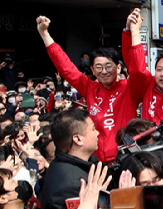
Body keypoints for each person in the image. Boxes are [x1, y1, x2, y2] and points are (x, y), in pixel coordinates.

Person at [36, 14, 149, 162]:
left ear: (119, 67)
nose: (104, 71)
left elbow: (138, 70)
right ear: (93, 70)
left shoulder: (129, 89)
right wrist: (44, 34)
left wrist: (131, 32)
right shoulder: (89, 88)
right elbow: (66, 68)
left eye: (108, 66)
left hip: (125, 159)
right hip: (95, 161)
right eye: (98, 67)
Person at [40, 109, 101, 209]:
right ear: (78, 139)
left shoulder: (60, 165)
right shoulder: (72, 186)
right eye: (93, 129)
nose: (98, 133)